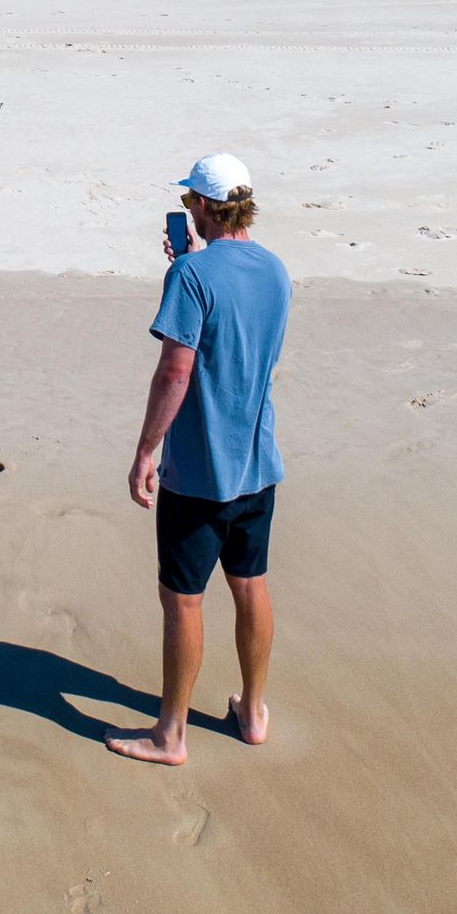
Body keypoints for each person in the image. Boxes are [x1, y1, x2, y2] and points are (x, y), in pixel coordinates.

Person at [105, 154, 292, 767]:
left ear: (205, 208)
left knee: (183, 599)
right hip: (258, 465)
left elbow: (176, 370)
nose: (188, 210)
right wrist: (192, 262)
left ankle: (171, 734)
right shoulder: (276, 270)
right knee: (250, 584)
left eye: (191, 202)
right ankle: (255, 712)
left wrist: (144, 451)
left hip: (200, 472)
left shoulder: (189, 278)